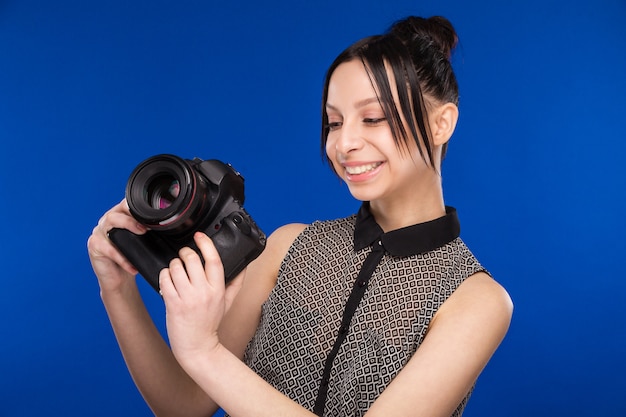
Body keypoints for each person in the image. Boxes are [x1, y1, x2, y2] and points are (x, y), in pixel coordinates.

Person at [87, 15, 513, 417]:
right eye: (333, 122)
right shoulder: (289, 247)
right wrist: (118, 288)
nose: (344, 143)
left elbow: (206, 362)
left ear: (442, 124)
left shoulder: (476, 301)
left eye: (372, 118)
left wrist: (205, 351)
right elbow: (183, 405)